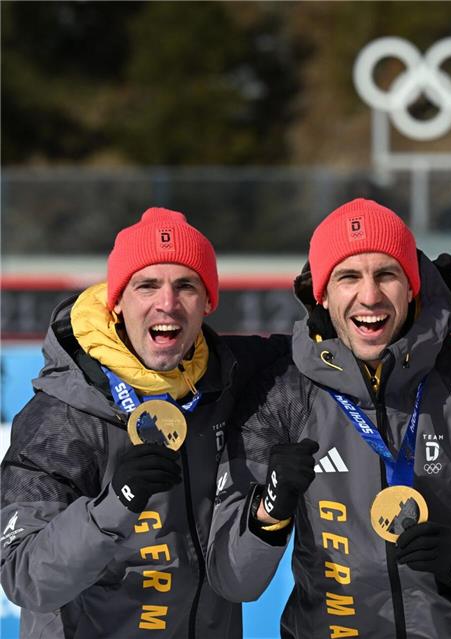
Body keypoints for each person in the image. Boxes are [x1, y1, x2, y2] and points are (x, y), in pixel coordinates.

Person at [207, 198, 451, 638]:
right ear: (322, 292)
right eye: (348, 277)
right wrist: (269, 508)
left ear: (413, 286)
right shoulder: (283, 394)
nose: (370, 295)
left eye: (386, 274)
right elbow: (233, 578)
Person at [0, 208, 289, 638]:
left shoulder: (231, 377)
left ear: (209, 301)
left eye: (186, 286)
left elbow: (328, 348)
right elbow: (24, 577)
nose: (167, 303)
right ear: (116, 300)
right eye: (147, 285)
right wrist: (115, 503)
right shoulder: (60, 414)